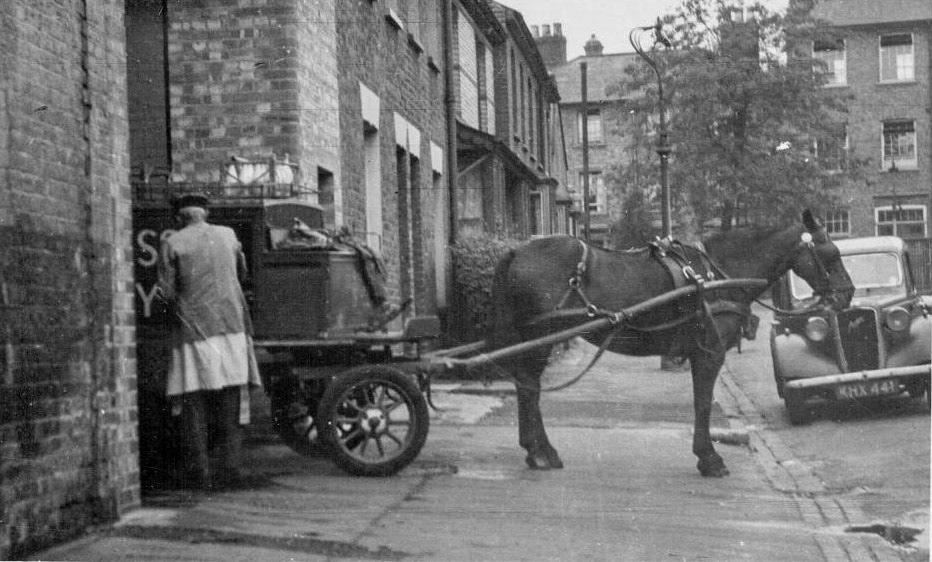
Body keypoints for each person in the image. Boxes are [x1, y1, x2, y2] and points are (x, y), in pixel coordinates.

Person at [157, 193, 262, 490]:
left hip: (195, 331)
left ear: (179, 218)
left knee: (194, 404)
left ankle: (199, 473)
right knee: (230, 400)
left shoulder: (173, 242)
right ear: (205, 214)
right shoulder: (228, 235)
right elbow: (242, 274)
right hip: (232, 327)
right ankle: (232, 470)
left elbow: (166, 293)